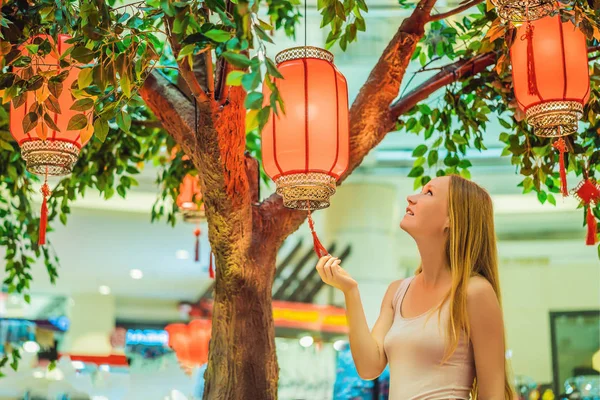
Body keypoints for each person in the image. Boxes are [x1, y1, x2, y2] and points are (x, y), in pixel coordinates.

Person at [316, 175, 513, 400]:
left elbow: (492, 394)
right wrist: (350, 292)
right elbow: (369, 367)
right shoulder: (397, 292)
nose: (411, 198)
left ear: (451, 218)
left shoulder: (474, 292)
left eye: (428, 193)